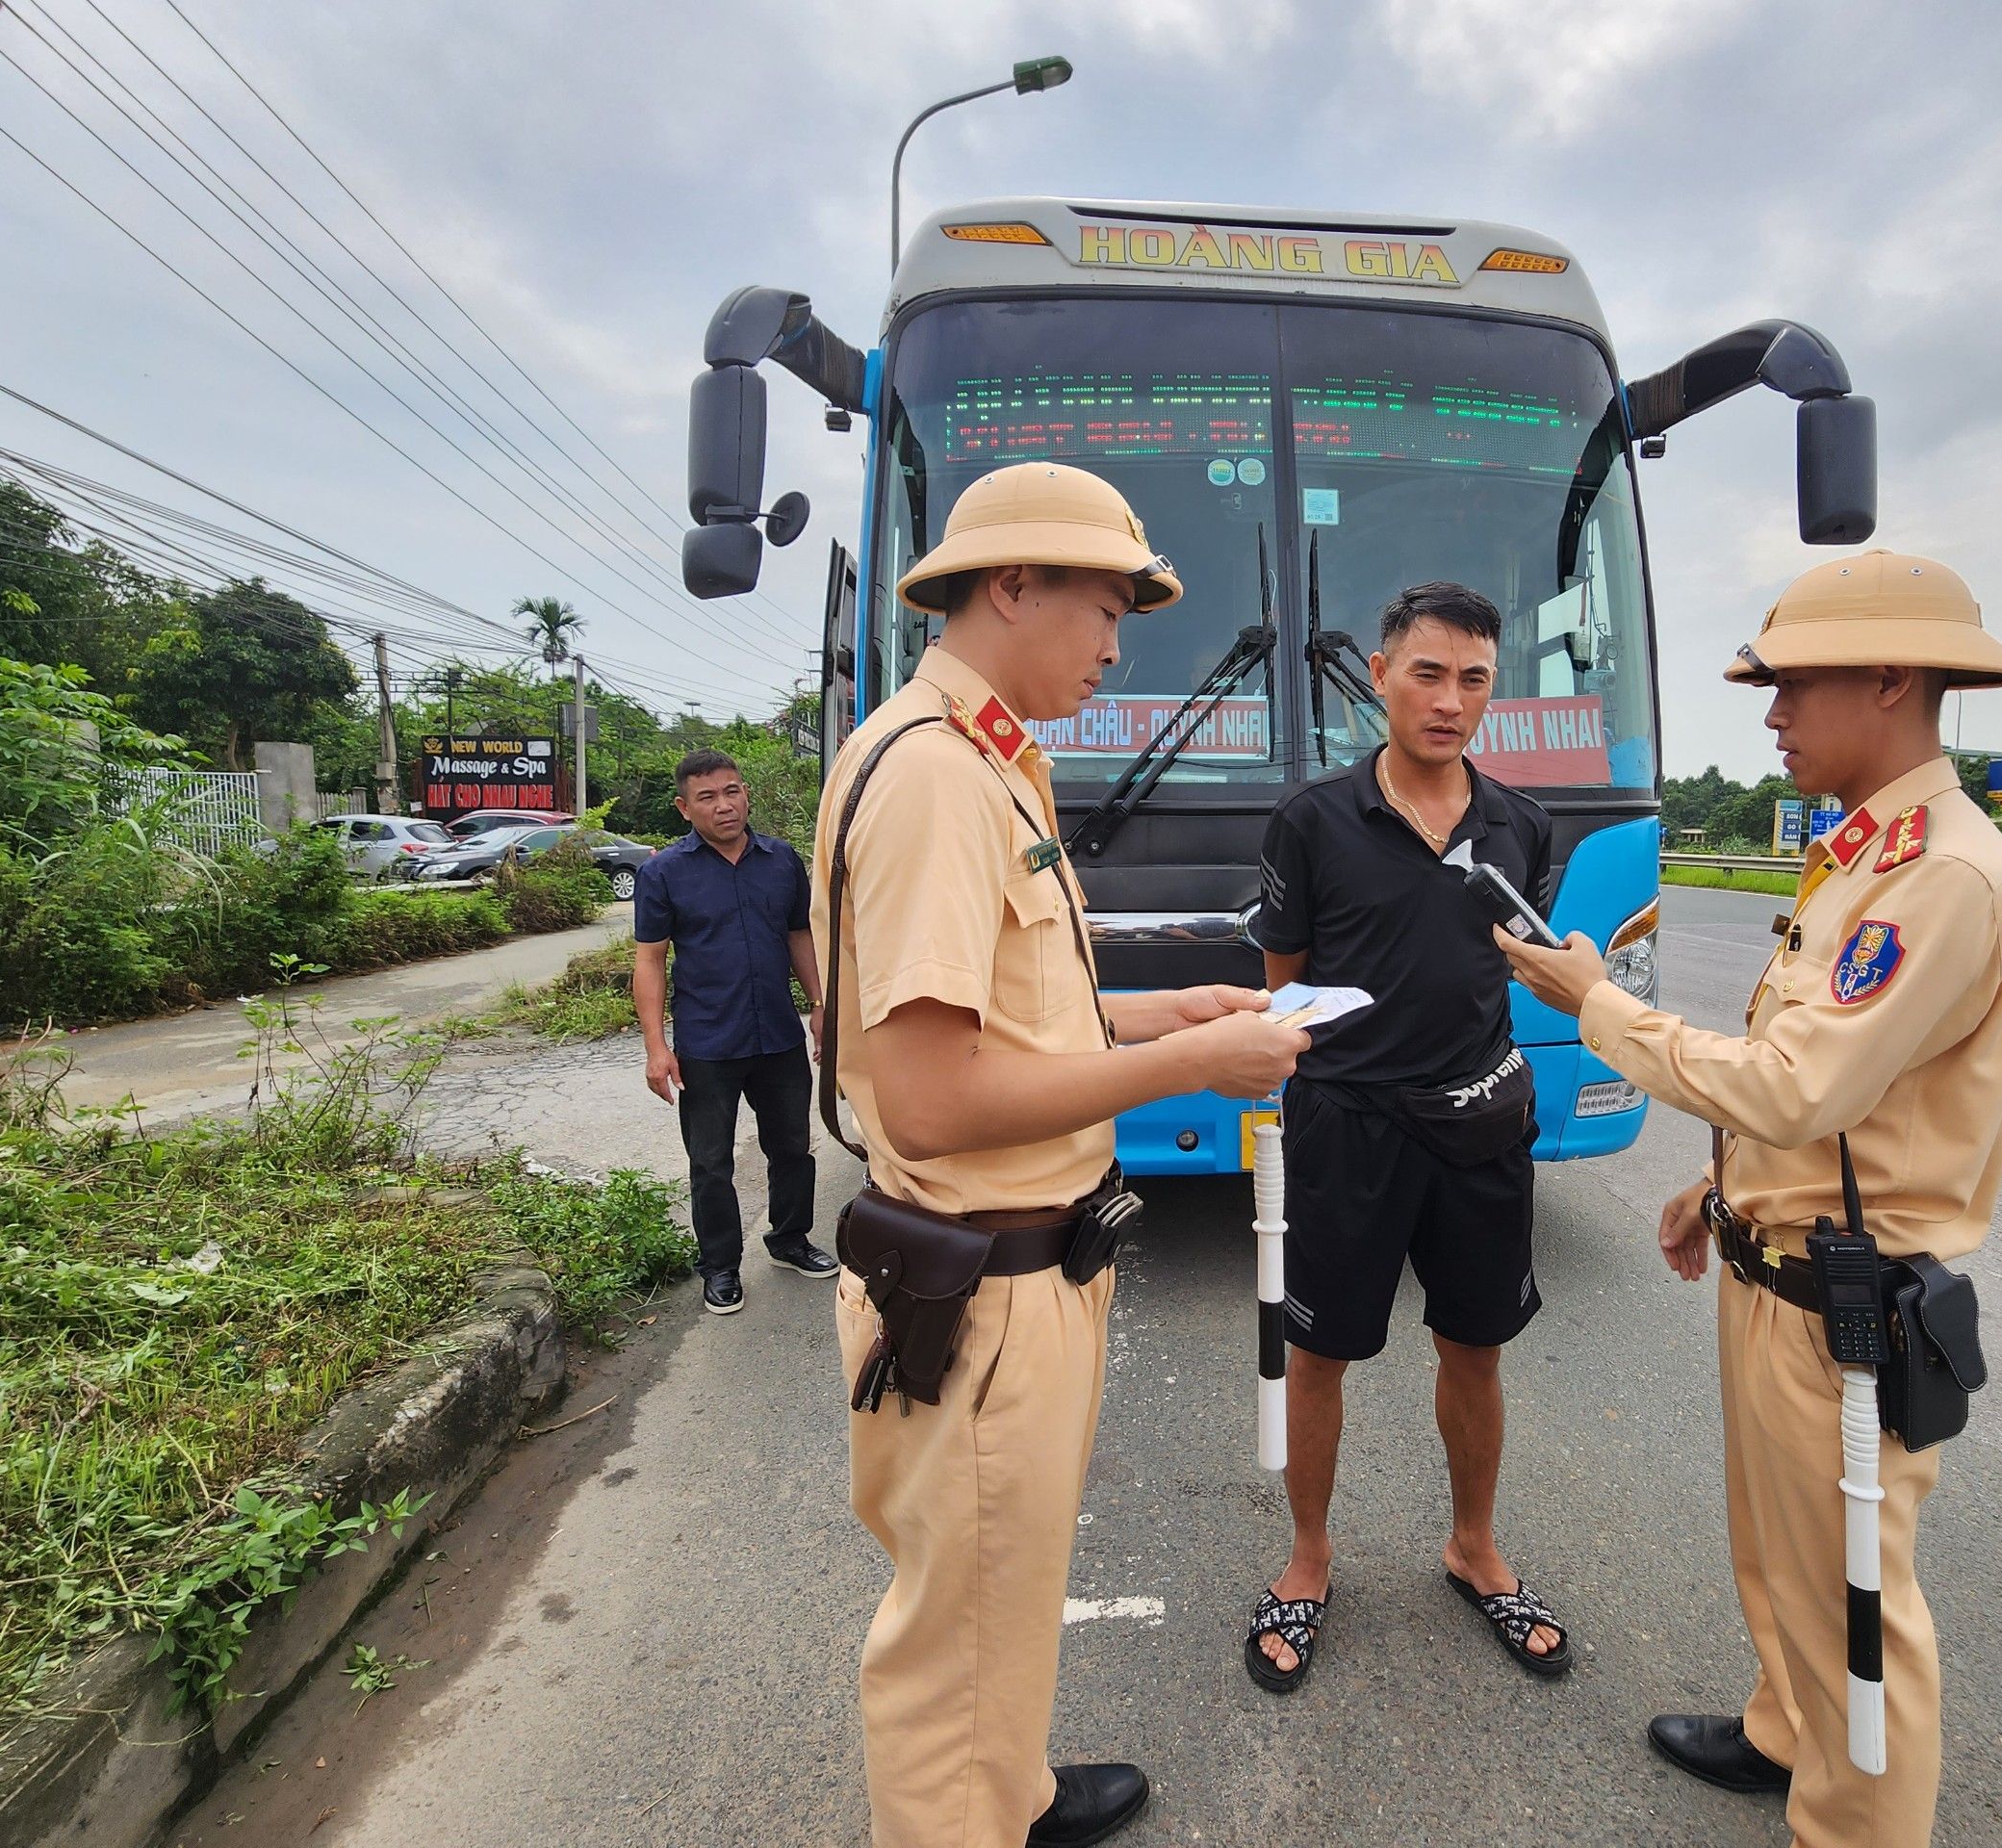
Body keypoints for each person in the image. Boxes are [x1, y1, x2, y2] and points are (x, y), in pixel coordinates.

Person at [1498, 551, 2002, 1848]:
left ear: (1894, 679)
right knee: (1783, 1560)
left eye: (1792, 686)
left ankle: (1852, 1821)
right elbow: (1844, 1106)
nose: (1773, 714)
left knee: (1857, 1603)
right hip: (1783, 1265)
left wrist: (1599, 1004)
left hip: (1844, 1306)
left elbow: (1798, 1086)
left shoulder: (1942, 876)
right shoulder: (1868, 851)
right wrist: (1710, 1185)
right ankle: (1784, 1734)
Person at [815, 461, 1309, 1848]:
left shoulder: (985, 762)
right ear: (1012, 583)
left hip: (1022, 1272)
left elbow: (1013, 1008)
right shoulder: (936, 781)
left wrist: (1170, 1011)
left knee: (1001, 1595)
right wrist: (1194, 1068)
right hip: (982, 1288)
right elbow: (929, 1101)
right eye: (1104, 606)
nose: (1114, 644)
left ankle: (1009, 1796)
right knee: (952, 1638)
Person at [1243, 580, 1567, 1695]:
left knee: (1473, 1347)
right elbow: (1283, 988)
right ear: (1378, 676)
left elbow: (1522, 965)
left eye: (1473, 678)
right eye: (1426, 673)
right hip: (1346, 1132)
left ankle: (1473, 1546)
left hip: (1477, 1126)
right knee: (1318, 1354)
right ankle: (1308, 1558)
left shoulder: (1522, 825)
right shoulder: (1313, 819)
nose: (1449, 699)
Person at [632, 748, 836, 1312]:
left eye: (732, 791)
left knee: (793, 1147)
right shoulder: (663, 873)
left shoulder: (780, 861)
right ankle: (720, 1266)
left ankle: (789, 1240)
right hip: (707, 1042)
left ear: (745, 793)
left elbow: (800, 935)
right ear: (684, 807)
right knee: (710, 1162)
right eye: (708, 797)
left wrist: (820, 1004)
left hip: (776, 1033)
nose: (725, 806)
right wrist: (656, 1047)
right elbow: (650, 960)